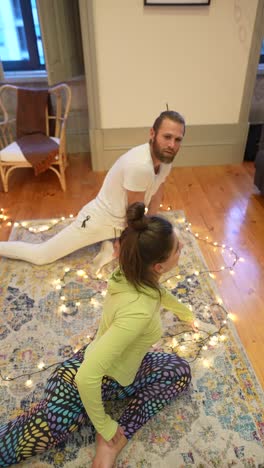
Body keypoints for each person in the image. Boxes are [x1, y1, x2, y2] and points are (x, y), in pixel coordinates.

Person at [0, 202, 195, 468]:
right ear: (159, 267)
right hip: (78, 386)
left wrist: (185, 313)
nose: (182, 248)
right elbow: (86, 377)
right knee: (14, 444)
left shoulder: (131, 272)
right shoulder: (136, 312)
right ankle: (111, 441)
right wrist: (103, 424)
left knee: (179, 370)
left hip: (113, 367)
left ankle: (114, 436)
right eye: (178, 249)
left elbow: (157, 293)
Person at [0, 111, 185, 271]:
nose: (172, 145)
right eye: (167, 137)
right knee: (42, 256)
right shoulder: (140, 166)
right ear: (152, 133)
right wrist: (124, 244)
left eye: (177, 140)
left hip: (120, 223)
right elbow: (134, 215)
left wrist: (152, 225)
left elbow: (158, 190)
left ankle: (111, 241)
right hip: (97, 221)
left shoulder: (165, 158)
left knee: (157, 244)